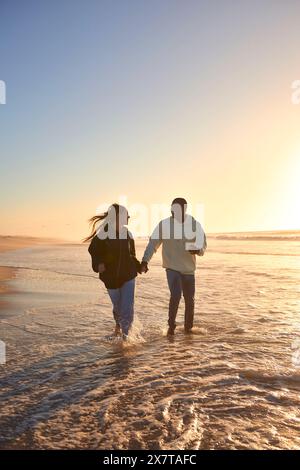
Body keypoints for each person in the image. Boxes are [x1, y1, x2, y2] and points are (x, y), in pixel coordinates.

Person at [140, 198, 206, 335]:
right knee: (175, 295)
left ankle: (188, 328)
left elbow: (202, 244)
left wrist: (197, 250)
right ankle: (171, 326)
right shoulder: (164, 225)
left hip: (188, 269)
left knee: (190, 300)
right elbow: (153, 244)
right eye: (174, 208)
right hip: (172, 267)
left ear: (185, 209)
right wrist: (145, 261)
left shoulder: (194, 224)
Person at [85, 204, 141, 340]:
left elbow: (131, 255)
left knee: (127, 308)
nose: (128, 219)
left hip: (128, 275)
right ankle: (118, 325)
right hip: (111, 277)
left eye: (128, 216)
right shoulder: (103, 234)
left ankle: (126, 338)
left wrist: (139, 266)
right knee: (118, 306)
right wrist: (99, 264)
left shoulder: (128, 234)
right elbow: (93, 250)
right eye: (126, 216)